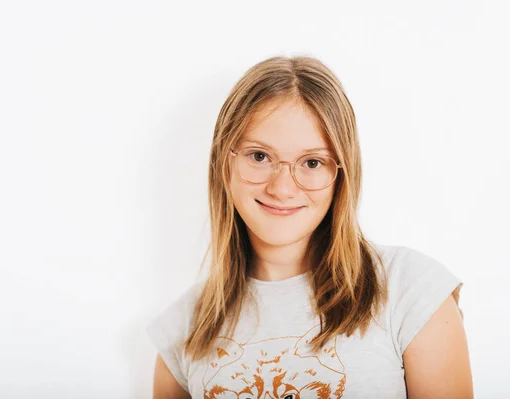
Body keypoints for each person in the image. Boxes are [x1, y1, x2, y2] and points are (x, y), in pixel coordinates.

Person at [146, 55, 473, 399]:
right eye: (259, 156)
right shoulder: (182, 330)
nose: (282, 188)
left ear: (342, 174)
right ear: (223, 161)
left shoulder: (413, 292)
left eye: (312, 162)